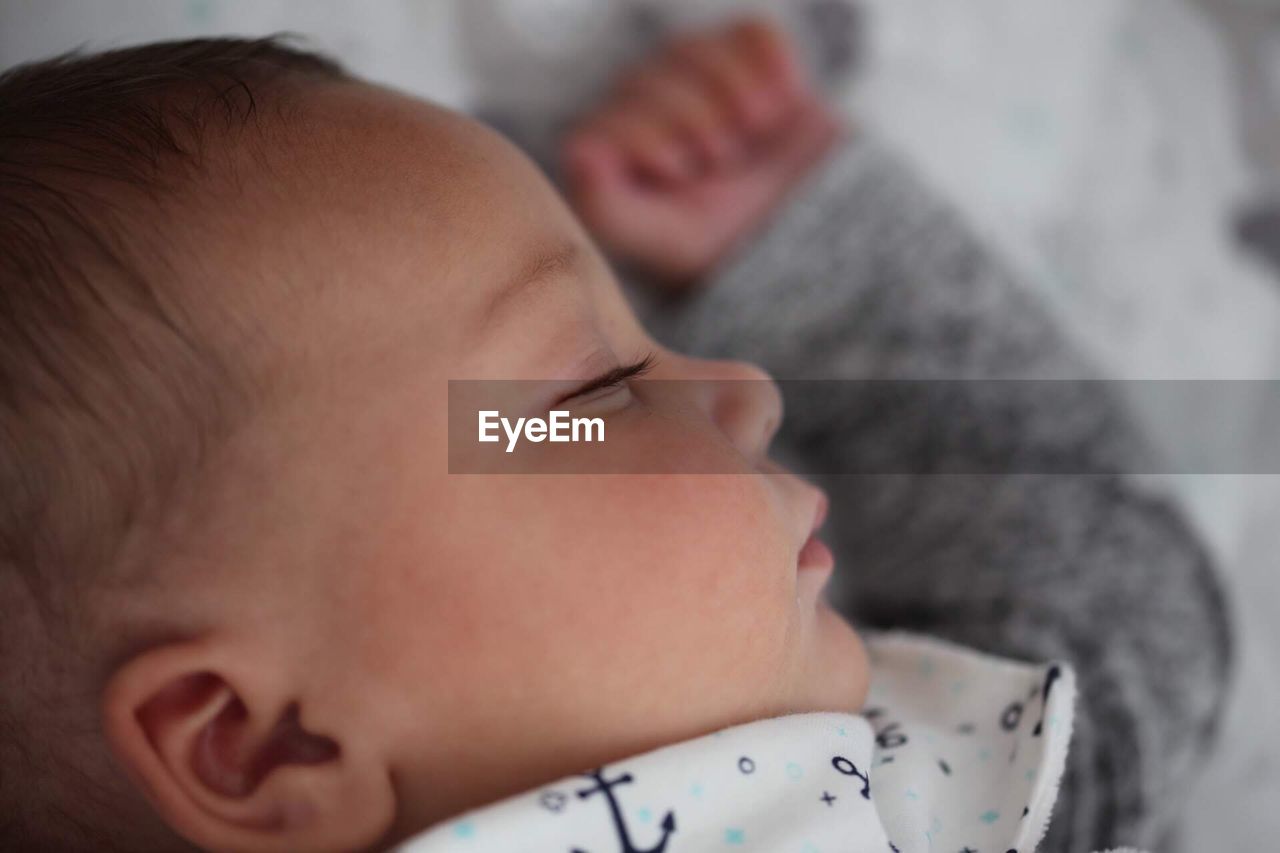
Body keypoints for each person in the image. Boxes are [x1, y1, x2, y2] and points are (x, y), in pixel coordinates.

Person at [0, 17, 1228, 853]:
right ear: (264, 742)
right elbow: (1120, 591)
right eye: (594, 388)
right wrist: (827, 272)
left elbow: (1107, 600)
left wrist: (815, 255)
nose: (749, 388)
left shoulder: (908, 795)